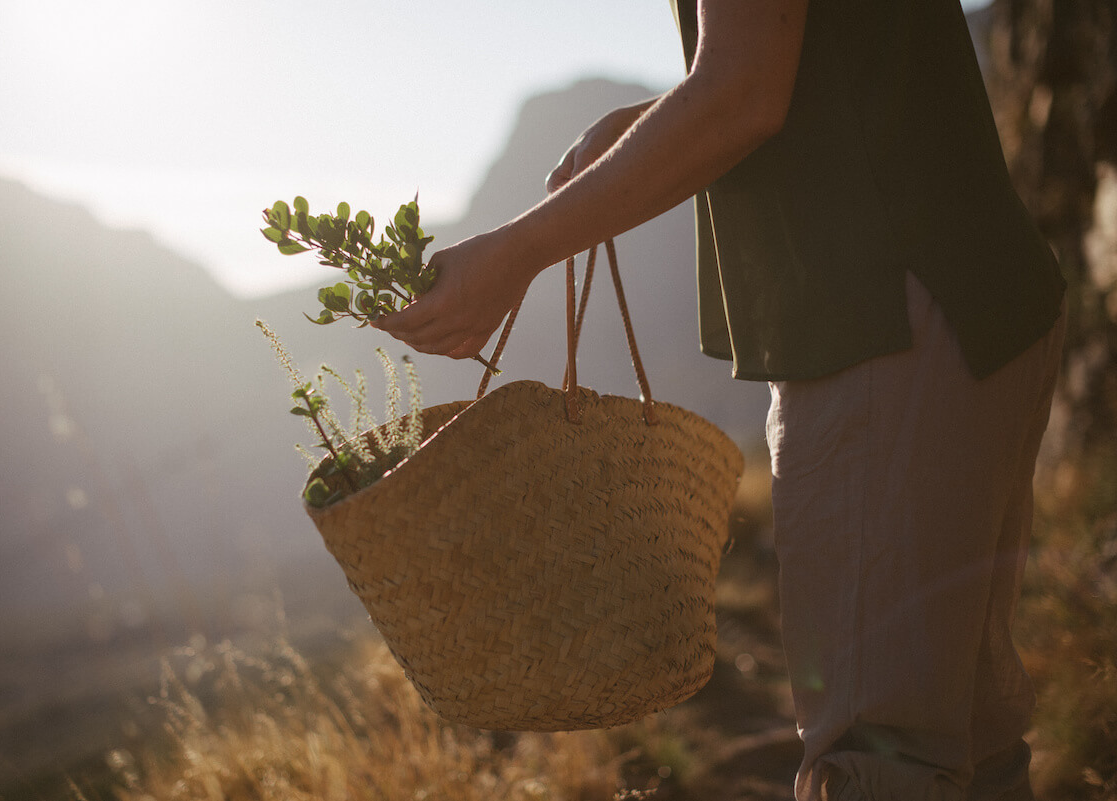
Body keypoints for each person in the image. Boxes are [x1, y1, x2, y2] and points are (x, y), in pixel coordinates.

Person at [375, 0, 1066, 798]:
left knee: (883, 759)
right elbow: (805, 48)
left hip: (879, 326)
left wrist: (516, 252)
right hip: (978, 297)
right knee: (969, 739)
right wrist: (651, 117)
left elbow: (746, 92)